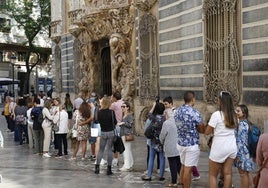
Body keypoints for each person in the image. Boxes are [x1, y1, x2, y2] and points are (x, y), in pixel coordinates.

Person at [205, 91, 237, 188]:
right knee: (227, 173)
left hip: (219, 147)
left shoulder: (217, 115)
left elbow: (207, 131)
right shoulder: (234, 114)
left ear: (221, 101)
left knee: (213, 175)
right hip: (231, 146)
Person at [174, 91, 205, 188]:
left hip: (180, 143)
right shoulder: (194, 112)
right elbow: (201, 129)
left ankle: (182, 185)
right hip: (191, 144)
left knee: (183, 166)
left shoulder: (177, 111)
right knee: (188, 169)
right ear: (193, 99)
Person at [142, 101, 166, 181]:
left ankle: (149, 175)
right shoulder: (164, 119)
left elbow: (148, 114)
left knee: (151, 158)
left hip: (153, 141)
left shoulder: (154, 118)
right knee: (162, 158)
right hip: (162, 141)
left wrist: (154, 106)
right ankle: (161, 176)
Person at [95, 96, 117, 175]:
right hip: (110, 132)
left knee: (101, 150)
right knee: (110, 150)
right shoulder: (111, 112)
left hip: (103, 132)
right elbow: (115, 122)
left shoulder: (99, 112)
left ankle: (97, 167)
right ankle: (109, 168)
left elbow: (97, 121)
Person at [234, 104, 255, 188]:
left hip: (242, 152)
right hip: (247, 152)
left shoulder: (242, 124)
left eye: (238, 111)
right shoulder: (247, 123)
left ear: (244, 113)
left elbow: (240, 141)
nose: (236, 112)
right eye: (236, 110)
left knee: (242, 174)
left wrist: (238, 155)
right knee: (248, 172)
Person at [160, 108, 181, 187]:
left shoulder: (166, 123)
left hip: (170, 147)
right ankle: (182, 178)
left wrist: (162, 142)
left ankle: (174, 181)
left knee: (172, 165)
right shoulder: (178, 121)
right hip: (179, 146)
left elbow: (162, 135)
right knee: (179, 164)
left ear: (166, 114)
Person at [117, 101, 134, 171]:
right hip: (123, 134)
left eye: (124, 107)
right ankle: (130, 163)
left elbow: (130, 125)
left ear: (127, 108)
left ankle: (126, 165)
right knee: (128, 150)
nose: (122, 108)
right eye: (122, 106)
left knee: (126, 150)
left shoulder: (129, 115)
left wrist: (123, 123)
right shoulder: (124, 115)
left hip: (126, 134)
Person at [110, 91, 124, 167]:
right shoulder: (123, 103)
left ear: (115, 97)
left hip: (116, 125)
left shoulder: (114, 104)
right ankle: (125, 159)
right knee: (123, 142)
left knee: (115, 142)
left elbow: (109, 110)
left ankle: (115, 159)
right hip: (123, 124)